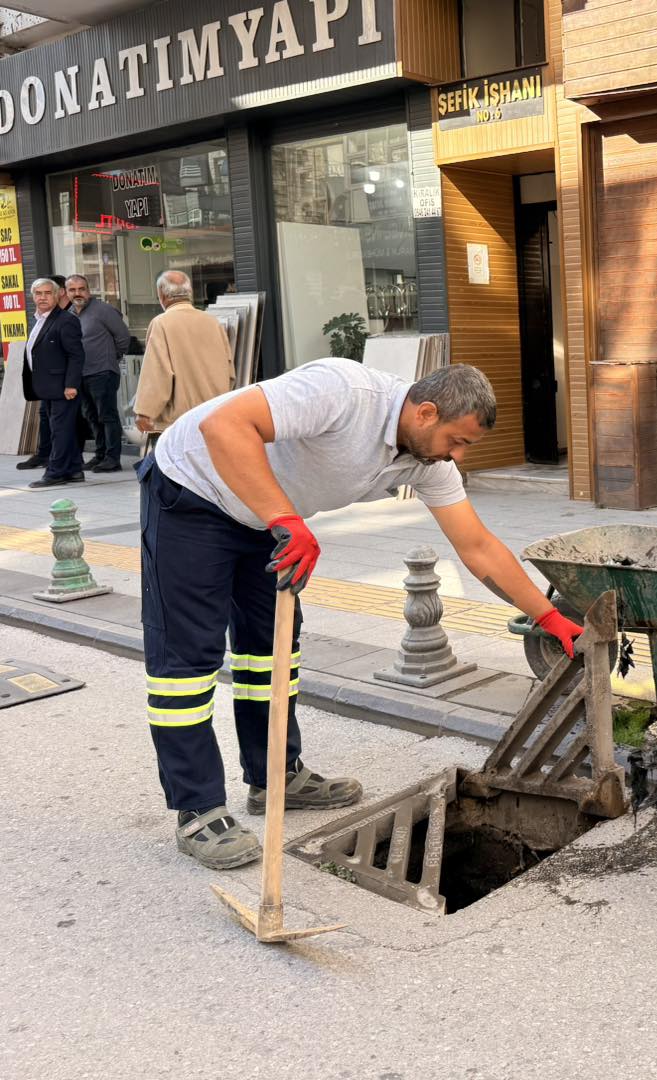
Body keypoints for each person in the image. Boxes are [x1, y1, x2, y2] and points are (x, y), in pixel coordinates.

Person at [140, 357, 584, 871]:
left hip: (265, 512)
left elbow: (478, 546)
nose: (457, 457)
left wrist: (547, 617)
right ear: (425, 413)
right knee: (186, 661)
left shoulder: (429, 462)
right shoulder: (342, 391)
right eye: (457, 442)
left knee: (272, 650)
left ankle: (275, 775)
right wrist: (284, 518)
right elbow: (224, 425)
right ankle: (197, 809)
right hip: (194, 492)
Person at [133, 271, 235, 454]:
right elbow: (229, 371)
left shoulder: (161, 323)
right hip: (212, 413)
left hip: (178, 420)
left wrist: (145, 411)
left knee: (177, 472)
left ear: (161, 294)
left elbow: (156, 372)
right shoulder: (212, 322)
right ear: (190, 294)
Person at [18, 278, 85, 489]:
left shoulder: (66, 320)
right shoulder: (39, 320)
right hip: (46, 387)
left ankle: (55, 472)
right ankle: (74, 470)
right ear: (33, 297)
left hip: (63, 388)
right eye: (38, 293)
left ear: (58, 296)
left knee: (60, 431)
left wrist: (71, 385)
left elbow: (77, 355)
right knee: (62, 429)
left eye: (48, 293)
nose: (43, 297)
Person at [66, 274, 131, 473]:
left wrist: (112, 358)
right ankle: (100, 454)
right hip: (81, 374)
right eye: (72, 290)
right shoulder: (69, 314)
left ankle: (113, 459)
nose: (78, 293)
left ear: (89, 290)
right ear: (66, 293)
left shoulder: (103, 310)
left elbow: (123, 338)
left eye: (81, 289)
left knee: (107, 416)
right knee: (91, 416)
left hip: (102, 372)